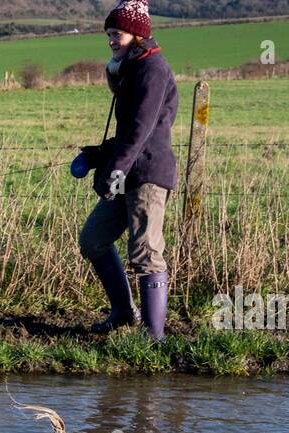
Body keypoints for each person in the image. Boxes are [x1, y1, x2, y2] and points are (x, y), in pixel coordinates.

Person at [76, 0, 178, 339]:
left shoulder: (153, 70)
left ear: (137, 34)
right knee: (93, 240)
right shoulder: (132, 69)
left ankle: (154, 338)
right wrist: (98, 156)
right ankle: (123, 313)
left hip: (147, 173)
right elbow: (127, 135)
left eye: (116, 34)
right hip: (126, 171)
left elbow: (141, 130)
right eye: (108, 34)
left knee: (146, 253)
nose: (110, 40)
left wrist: (115, 169)